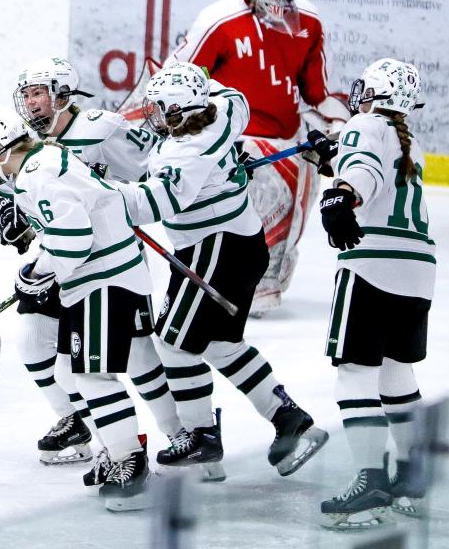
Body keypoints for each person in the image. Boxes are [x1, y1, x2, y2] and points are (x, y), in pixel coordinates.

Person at [114, 61, 328, 477]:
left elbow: (153, 203)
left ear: (181, 112)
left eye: (161, 108)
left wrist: (98, 195)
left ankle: (201, 437)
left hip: (214, 250)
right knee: (217, 343)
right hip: (238, 245)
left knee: (174, 344)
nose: (153, 115)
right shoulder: (225, 110)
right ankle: (289, 419)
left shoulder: (185, 152)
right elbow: (230, 94)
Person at [11, 57, 205, 475]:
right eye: (26, 95)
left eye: (39, 93)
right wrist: (6, 213)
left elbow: (159, 170)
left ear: (63, 92)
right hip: (62, 261)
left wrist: (112, 198)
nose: (31, 104)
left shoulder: (103, 127)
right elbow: (2, 187)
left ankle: (178, 434)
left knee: (135, 358)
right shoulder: (25, 141)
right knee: (37, 343)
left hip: (106, 262)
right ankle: (88, 428)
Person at [0, 107, 155, 511]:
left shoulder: (40, 173)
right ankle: (113, 448)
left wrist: (36, 270)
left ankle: (130, 462)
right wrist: (36, 267)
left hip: (104, 277)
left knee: (94, 377)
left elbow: (72, 243)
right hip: (92, 279)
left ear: (0, 147)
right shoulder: (39, 166)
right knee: (73, 371)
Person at [165, 0, 349, 317]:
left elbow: (316, 92)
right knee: (241, 223)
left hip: (286, 140)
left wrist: (339, 120)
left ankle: (264, 280)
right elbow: (180, 75)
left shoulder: (308, 21)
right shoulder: (219, 20)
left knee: (289, 222)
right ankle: (237, 278)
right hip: (234, 141)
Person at [318, 58, 434, 529]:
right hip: (418, 270)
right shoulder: (411, 142)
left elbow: (364, 169)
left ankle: (370, 482)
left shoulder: (365, 123)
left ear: (377, 96)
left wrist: (340, 194)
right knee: (395, 373)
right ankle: (412, 476)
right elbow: (377, 169)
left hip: (371, 264)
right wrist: (331, 163)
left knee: (353, 373)